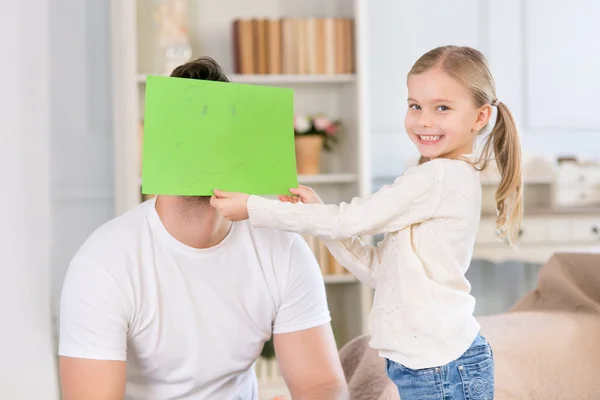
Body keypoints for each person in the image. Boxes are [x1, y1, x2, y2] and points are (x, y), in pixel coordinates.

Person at [211, 45, 524, 400]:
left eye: (442, 108)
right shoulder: (436, 176)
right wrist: (318, 215)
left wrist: (255, 208)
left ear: (479, 117)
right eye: (415, 105)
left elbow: (353, 219)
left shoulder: (440, 177)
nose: (424, 120)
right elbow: (381, 271)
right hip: (430, 365)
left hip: (442, 369)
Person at [58, 57, 349, 400]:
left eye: (218, 136)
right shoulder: (103, 264)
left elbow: (322, 386)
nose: (203, 150)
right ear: (159, 146)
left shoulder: (282, 248)